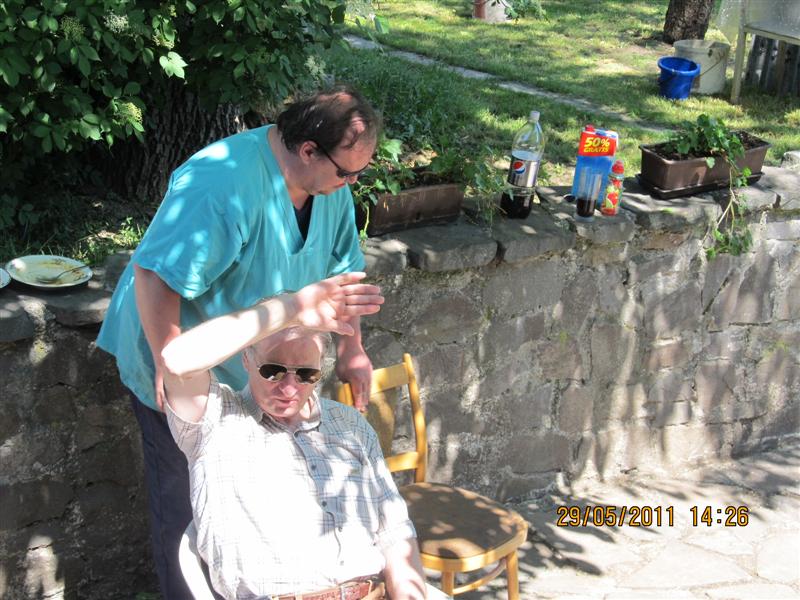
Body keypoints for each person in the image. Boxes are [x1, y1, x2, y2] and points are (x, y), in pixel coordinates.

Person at [96, 86, 380, 598]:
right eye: (347, 172)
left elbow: (343, 277)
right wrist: (169, 359)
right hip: (185, 360)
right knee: (188, 518)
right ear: (308, 150)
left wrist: (353, 349)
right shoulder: (220, 183)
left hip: (259, 370)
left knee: (245, 517)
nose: (353, 184)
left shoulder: (328, 188)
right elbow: (153, 275)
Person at [160, 274, 427, 599]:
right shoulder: (216, 422)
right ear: (246, 358)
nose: (288, 389)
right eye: (272, 371)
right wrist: (292, 308)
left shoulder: (350, 426)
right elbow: (175, 360)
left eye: (305, 374)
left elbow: (394, 532)